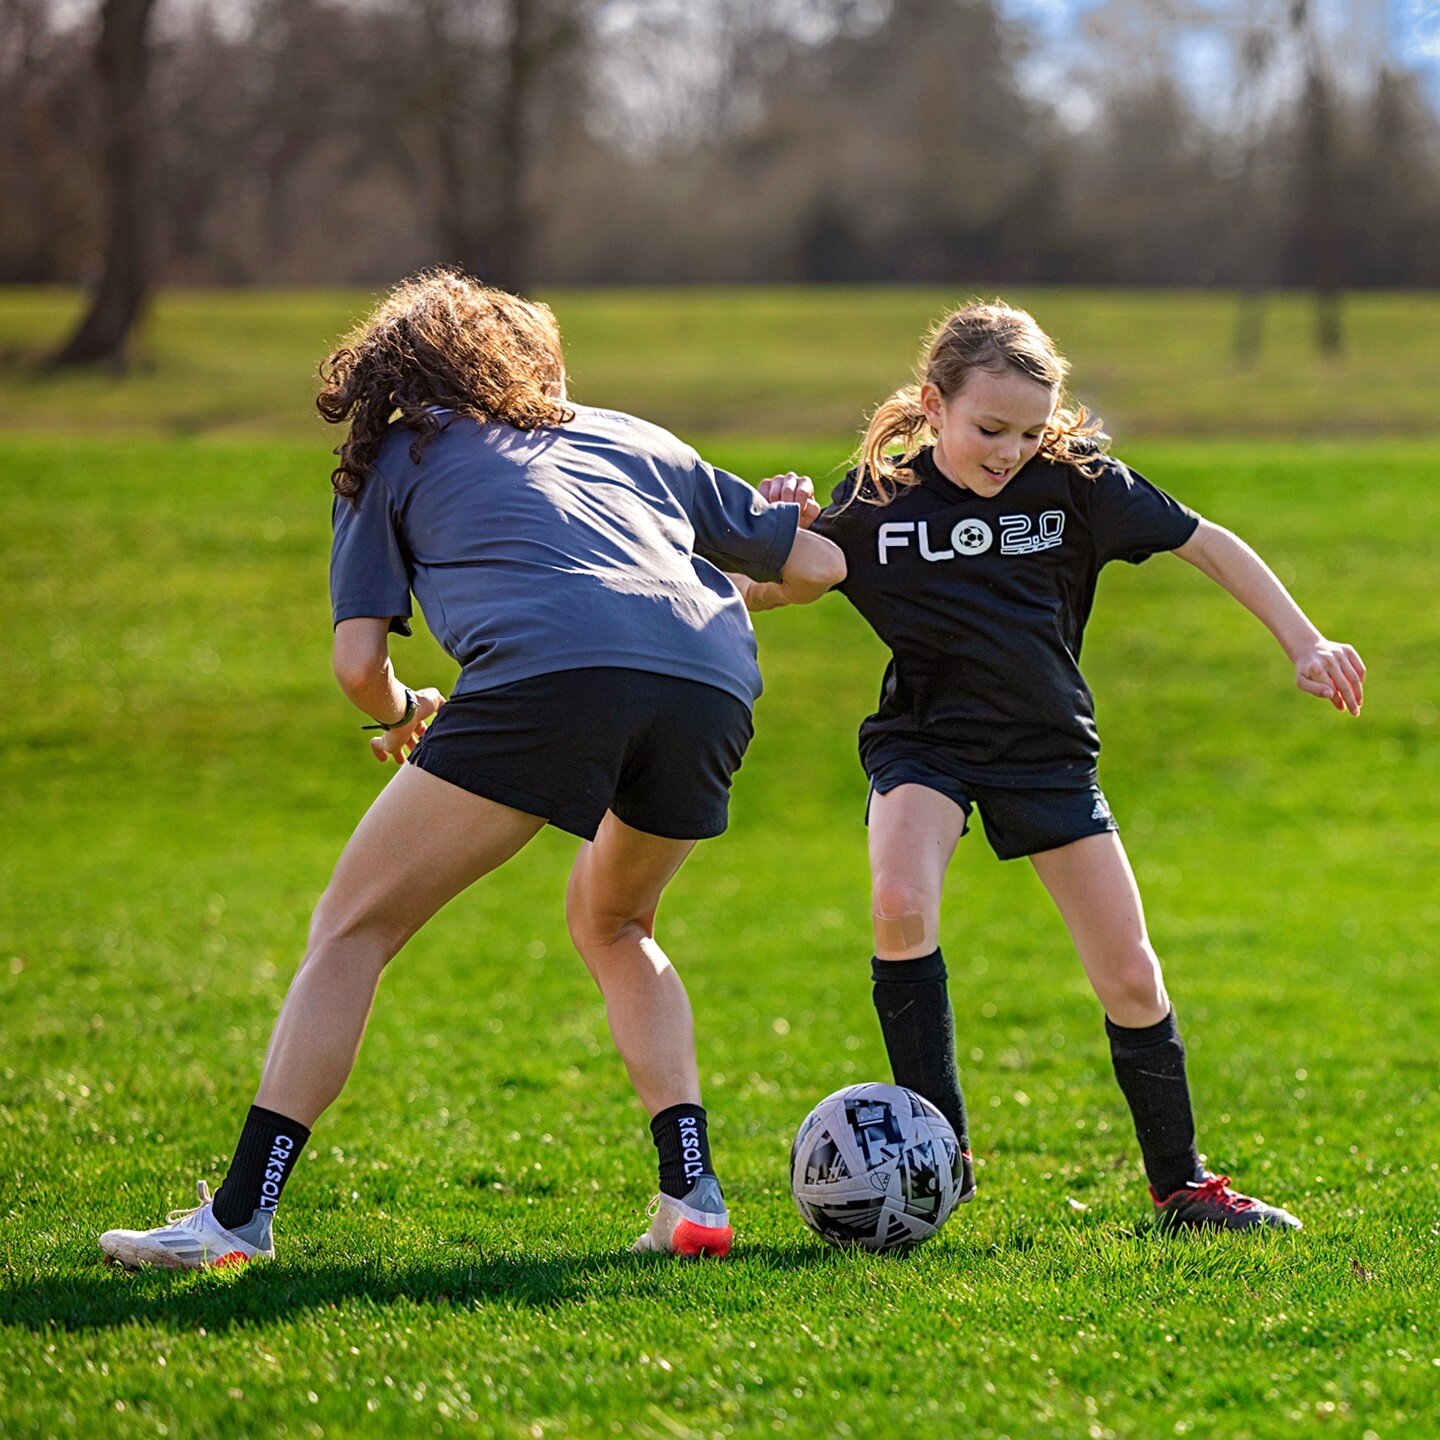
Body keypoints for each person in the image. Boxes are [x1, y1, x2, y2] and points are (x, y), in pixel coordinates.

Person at [98, 270, 844, 1269]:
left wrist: (406, 711)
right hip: (710, 685)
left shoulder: (394, 455)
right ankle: (692, 1194)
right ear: (524, 357)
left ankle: (237, 1220)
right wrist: (783, 522)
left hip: (551, 684)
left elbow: (359, 668)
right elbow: (818, 569)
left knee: (353, 929)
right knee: (617, 924)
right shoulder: (633, 435)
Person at [744, 301, 1364, 1230]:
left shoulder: (1076, 484)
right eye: (990, 428)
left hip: (1046, 750)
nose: (1009, 450)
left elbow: (1209, 542)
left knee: (1131, 977)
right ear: (933, 405)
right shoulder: (877, 499)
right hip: (926, 743)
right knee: (898, 905)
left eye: (1030, 431)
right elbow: (773, 587)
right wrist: (769, 527)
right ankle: (938, 1159)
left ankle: (1183, 1188)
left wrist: (1305, 642)